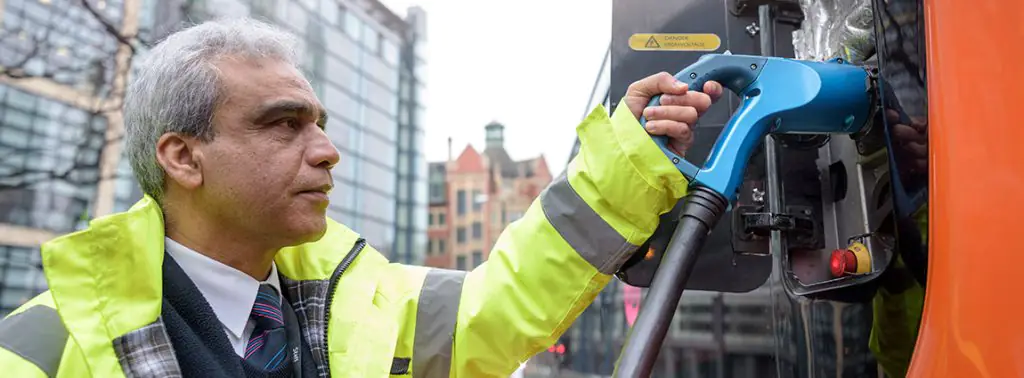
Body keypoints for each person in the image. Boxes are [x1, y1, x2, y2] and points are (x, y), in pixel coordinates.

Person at [0, 18, 723, 377]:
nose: (326, 149)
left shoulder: (367, 297)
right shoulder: (33, 352)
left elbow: (505, 302)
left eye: (319, 123)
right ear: (183, 157)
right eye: (283, 124)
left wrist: (632, 156)